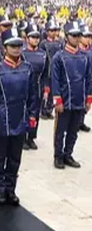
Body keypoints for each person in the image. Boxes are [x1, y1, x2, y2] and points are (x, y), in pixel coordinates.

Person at [0, 27, 38, 206]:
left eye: (18, 45)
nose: (16, 49)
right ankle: (0, 188)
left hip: (20, 118)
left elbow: (33, 95)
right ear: (4, 48)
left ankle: (11, 188)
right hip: (1, 119)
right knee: (0, 156)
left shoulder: (28, 68)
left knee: (15, 156)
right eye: (12, 45)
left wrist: (32, 116)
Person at [52, 21, 92, 169]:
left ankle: (68, 154)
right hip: (64, 100)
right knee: (60, 130)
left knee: (73, 131)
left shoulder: (84, 57)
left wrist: (88, 98)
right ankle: (58, 155)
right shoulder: (59, 57)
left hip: (79, 100)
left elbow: (88, 79)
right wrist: (58, 100)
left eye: (78, 35)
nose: (76, 38)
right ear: (67, 36)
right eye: (73, 35)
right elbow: (55, 80)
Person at [21, 23, 48, 150]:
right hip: (24, 88)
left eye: (37, 37)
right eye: (33, 37)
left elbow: (46, 73)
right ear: (27, 38)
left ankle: (31, 137)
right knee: (24, 112)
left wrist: (46, 88)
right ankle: (23, 138)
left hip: (38, 87)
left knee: (35, 114)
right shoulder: (22, 53)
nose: (36, 39)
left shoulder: (43, 54)